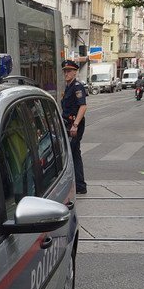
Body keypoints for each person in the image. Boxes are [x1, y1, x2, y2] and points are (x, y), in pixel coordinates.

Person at [61, 59, 88, 194]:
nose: (66, 73)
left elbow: (83, 106)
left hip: (74, 125)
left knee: (71, 154)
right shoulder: (69, 87)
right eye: (65, 71)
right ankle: (79, 185)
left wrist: (75, 125)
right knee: (74, 154)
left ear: (75, 72)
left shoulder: (77, 86)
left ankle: (77, 185)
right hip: (69, 124)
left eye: (69, 71)